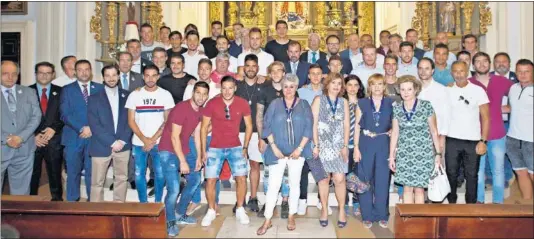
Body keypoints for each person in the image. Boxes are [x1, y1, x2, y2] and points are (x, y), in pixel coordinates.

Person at [256, 74, 313, 235]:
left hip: (297, 152)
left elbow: (309, 127)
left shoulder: (304, 105)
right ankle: (267, 220)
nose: (288, 89)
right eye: (285, 86)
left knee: (294, 185)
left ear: (296, 88)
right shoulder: (275, 104)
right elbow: (266, 125)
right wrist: (273, 147)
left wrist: (300, 149)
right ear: (281, 87)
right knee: (273, 185)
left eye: (292, 86)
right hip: (277, 152)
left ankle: (291, 216)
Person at [158, 81, 210, 236]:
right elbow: (174, 137)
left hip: (184, 149)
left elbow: (197, 136)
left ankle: (180, 213)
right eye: (198, 93)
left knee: (195, 180)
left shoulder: (200, 111)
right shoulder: (181, 108)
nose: (201, 97)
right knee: (174, 189)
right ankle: (170, 221)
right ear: (193, 93)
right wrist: (182, 161)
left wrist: (200, 156)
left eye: (204, 94)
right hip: (168, 150)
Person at [200, 76, 252, 227]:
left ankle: (241, 209)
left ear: (235, 88)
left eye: (230, 88)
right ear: (220, 88)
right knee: (210, 179)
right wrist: (204, 151)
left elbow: (249, 125)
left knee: (241, 178)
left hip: (236, 146)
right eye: (224, 88)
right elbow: (203, 128)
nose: (227, 91)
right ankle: (210, 210)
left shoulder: (242, 103)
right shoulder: (212, 103)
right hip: (215, 147)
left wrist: (245, 147)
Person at [125, 65, 175, 203]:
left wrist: (151, 140)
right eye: (147, 75)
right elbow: (131, 120)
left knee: (159, 174)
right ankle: (143, 203)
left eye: (154, 75)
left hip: (159, 143)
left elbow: (167, 121)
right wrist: (144, 139)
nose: (150, 79)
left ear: (158, 76)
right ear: (143, 76)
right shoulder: (135, 95)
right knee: (139, 174)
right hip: (138, 142)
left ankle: (157, 202)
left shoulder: (165, 95)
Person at [389, 75, 442, 204]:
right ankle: (409, 219)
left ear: (415, 90)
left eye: (409, 89)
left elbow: (434, 132)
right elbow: (395, 133)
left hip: (423, 153)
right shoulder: (396, 108)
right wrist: (391, 156)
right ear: (398, 91)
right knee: (406, 189)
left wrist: (438, 154)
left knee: (419, 190)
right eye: (402, 89)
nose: (406, 93)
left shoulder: (426, 106)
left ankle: (419, 220)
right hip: (404, 153)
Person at [469, 52, 513, 204]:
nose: (482, 64)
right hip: (476, 135)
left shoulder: (501, 81)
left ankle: (498, 203)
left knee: (498, 171)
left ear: (490, 64)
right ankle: (480, 202)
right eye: (478, 62)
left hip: (497, 133)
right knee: (478, 171)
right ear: (473, 65)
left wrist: (509, 107)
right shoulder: (468, 83)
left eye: (485, 61)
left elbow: (520, 94)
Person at [445, 61, 489, 204]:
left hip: (473, 140)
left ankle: (471, 206)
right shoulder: (447, 90)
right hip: (451, 139)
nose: (459, 74)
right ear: (452, 73)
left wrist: (483, 141)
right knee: (451, 173)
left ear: (467, 72)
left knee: (471, 175)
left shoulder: (478, 90)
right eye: (455, 71)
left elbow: (486, 117)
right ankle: (452, 202)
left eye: (462, 71)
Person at [353, 73, 394, 229]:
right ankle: (367, 215)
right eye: (373, 84)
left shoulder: (391, 103)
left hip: (384, 143)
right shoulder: (362, 103)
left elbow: (395, 125)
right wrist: (356, 148)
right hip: (365, 144)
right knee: (364, 180)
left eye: (380, 84)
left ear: (384, 86)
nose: (377, 88)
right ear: (369, 87)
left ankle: (382, 214)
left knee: (383, 180)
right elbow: (357, 126)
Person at [60, 59, 103, 201]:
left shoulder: (100, 88)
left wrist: (92, 128)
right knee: (73, 172)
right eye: (80, 70)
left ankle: (93, 202)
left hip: (94, 137)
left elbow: (104, 112)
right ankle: (72, 201)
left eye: (86, 69)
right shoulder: (67, 90)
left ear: (91, 72)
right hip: (73, 137)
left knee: (92, 172)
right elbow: (64, 114)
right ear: (75, 72)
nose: (84, 72)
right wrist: (81, 128)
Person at [88, 65, 132, 202]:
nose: (111, 78)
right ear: (103, 77)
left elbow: (131, 121)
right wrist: (112, 142)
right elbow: (94, 124)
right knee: (97, 183)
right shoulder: (93, 98)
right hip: (101, 146)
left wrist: (122, 141)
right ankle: (97, 212)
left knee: (121, 179)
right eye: (107, 75)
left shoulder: (128, 95)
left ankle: (118, 207)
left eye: (114, 75)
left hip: (123, 146)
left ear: (119, 76)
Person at [311, 73, 350, 228]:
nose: (336, 86)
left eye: (339, 83)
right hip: (321, 145)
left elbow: (346, 125)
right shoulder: (318, 100)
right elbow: (313, 124)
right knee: (324, 179)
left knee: (340, 179)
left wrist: (345, 146)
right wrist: (315, 145)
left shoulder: (344, 102)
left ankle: (341, 209)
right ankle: (325, 209)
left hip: (338, 146)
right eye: (333, 83)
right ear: (327, 84)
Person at [256, 62, 291, 218]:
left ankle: (284, 201)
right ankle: (269, 202)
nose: (276, 74)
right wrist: (261, 137)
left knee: (286, 173)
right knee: (268, 173)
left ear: (284, 73)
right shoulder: (264, 91)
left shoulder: (290, 91)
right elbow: (259, 116)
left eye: (279, 71)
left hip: (286, 139)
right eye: (273, 71)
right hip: (269, 139)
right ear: (269, 74)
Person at [1, 61, 42, 195]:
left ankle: (19, 216)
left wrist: (21, 137)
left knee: (21, 192)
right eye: (5, 74)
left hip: (24, 149)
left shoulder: (29, 92)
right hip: (1, 147)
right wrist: (5, 139)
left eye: (14, 74)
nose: (10, 77)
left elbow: (36, 117)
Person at [29, 62, 64, 201]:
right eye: (41, 72)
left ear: (53, 74)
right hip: (33, 140)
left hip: (54, 140)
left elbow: (65, 114)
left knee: (55, 173)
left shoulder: (62, 91)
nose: (44, 75)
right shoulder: (26, 91)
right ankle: (29, 201)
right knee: (32, 173)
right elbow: (22, 117)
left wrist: (54, 128)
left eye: (48, 73)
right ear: (36, 74)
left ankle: (57, 202)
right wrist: (33, 135)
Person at [235, 54, 263, 212]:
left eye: (254, 66)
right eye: (248, 66)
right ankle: (240, 199)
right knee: (239, 167)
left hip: (255, 132)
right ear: (243, 68)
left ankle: (253, 197)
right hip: (238, 131)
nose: (251, 69)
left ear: (257, 68)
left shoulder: (263, 85)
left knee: (254, 165)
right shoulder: (237, 85)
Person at [506, 59, 533, 200]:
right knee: (521, 172)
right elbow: (513, 108)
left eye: (526, 71)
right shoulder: (513, 88)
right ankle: (528, 206)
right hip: (513, 139)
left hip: (531, 141)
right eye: (520, 71)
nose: (523, 75)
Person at [343, 75, 365, 216]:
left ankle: (357, 202)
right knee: (343, 174)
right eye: (349, 84)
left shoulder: (364, 103)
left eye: (355, 85)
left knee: (358, 175)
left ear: (359, 87)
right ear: (344, 87)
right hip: (344, 144)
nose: (352, 88)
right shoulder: (340, 103)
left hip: (359, 145)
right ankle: (343, 202)